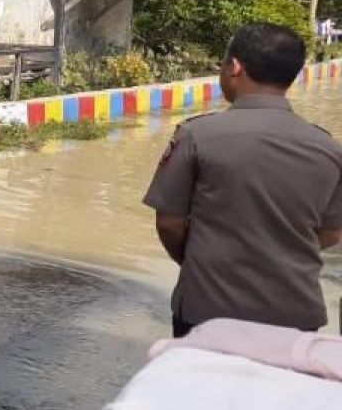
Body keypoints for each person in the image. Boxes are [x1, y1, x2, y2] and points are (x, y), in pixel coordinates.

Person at [144, 22, 342, 338]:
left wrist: (196, 263)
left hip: (207, 309)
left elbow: (169, 223)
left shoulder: (196, 135)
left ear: (235, 67)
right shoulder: (329, 148)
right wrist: (278, 252)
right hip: (295, 315)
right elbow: (332, 232)